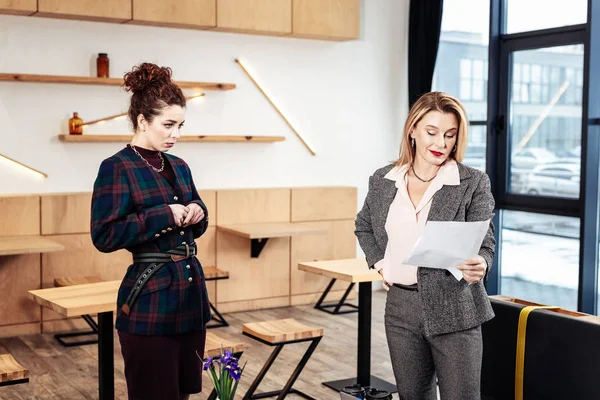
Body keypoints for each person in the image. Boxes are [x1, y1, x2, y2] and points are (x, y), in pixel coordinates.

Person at [355, 91, 495, 400]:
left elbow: (485, 242)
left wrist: (482, 263)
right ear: (413, 130)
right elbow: (363, 225)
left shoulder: (472, 182)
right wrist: (381, 264)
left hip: (456, 306)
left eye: (450, 135)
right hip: (401, 309)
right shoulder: (383, 180)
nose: (441, 144)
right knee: (412, 396)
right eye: (432, 132)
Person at [91, 62, 211, 400]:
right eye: (168, 125)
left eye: (180, 125)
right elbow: (104, 236)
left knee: (185, 392)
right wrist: (164, 215)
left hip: (191, 300)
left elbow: (197, 223)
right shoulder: (116, 167)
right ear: (143, 121)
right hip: (149, 302)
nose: (176, 134)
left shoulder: (180, 166)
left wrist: (197, 213)